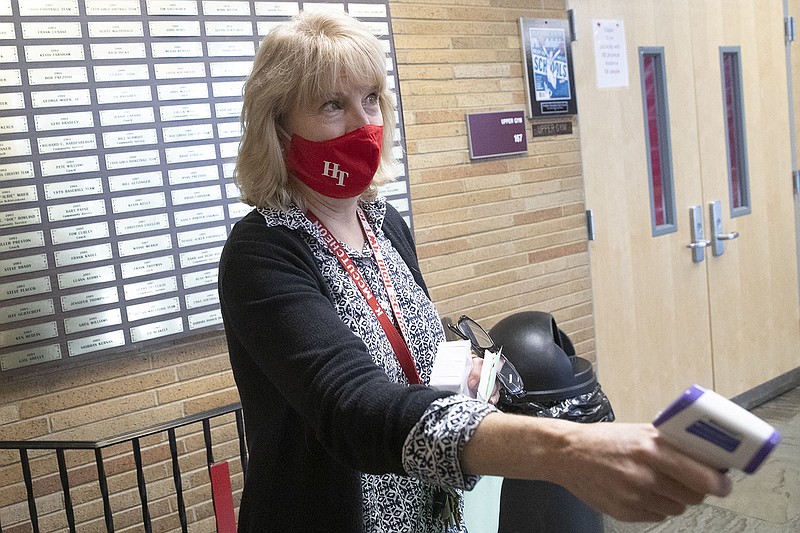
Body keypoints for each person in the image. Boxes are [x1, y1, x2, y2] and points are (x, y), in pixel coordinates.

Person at [218, 10, 732, 533]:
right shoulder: (261, 252)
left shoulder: (381, 220)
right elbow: (351, 407)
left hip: (429, 514)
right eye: (332, 105)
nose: (362, 123)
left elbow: (403, 341)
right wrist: (567, 451)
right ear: (278, 130)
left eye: (370, 98)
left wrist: (461, 374)